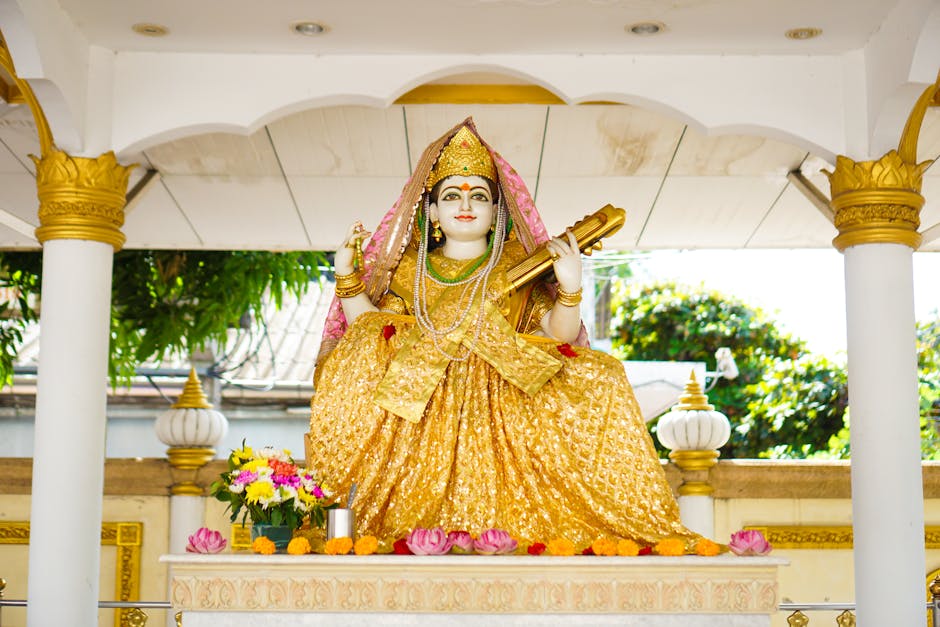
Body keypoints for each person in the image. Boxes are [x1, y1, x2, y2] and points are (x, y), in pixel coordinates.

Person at [307, 119, 694, 548]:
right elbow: (373, 330)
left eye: (479, 196)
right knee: (357, 355)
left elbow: (556, 334)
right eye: (451, 196)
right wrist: (347, 278)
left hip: (507, 397)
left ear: (497, 211)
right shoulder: (409, 271)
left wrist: (569, 287)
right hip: (423, 405)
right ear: (431, 211)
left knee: (603, 374)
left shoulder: (518, 266)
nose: (465, 205)